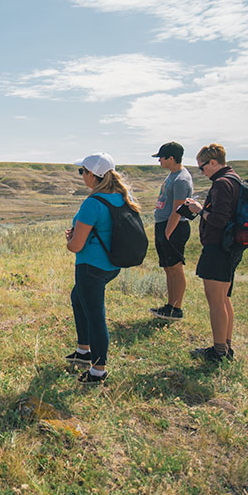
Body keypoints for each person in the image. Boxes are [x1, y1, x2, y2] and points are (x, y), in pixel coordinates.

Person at [65, 153, 139, 384]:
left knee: (96, 315)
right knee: (78, 298)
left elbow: (76, 245)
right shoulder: (120, 198)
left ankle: (98, 370)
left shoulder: (92, 203)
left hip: (91, 266)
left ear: (92, 175)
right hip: (111, 265)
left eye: (82, 172)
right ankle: (84, 351)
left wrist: (70, 239)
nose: (81, 176)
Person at [180, 143, 244, 362]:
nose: (201, 172)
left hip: (218, 247)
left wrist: (199, 211)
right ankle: (225, 347)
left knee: (216, 301)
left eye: (202, 167)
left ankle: (218, 352)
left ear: (214, 162)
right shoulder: (234, 179)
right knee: (224, 299)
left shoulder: (221, 184)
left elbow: (218, 220)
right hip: (229, 247)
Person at [148, 142, 195, 321]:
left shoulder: (181, 179)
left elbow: (178, 209)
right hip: (165, 225)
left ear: (171, 158)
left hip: (173, 227)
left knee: (175, 268)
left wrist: (167, 233)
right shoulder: (173, 175)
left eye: (161, 157)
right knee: (168, 268)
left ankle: (177, 308)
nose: (159, 160)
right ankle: (170, 305)